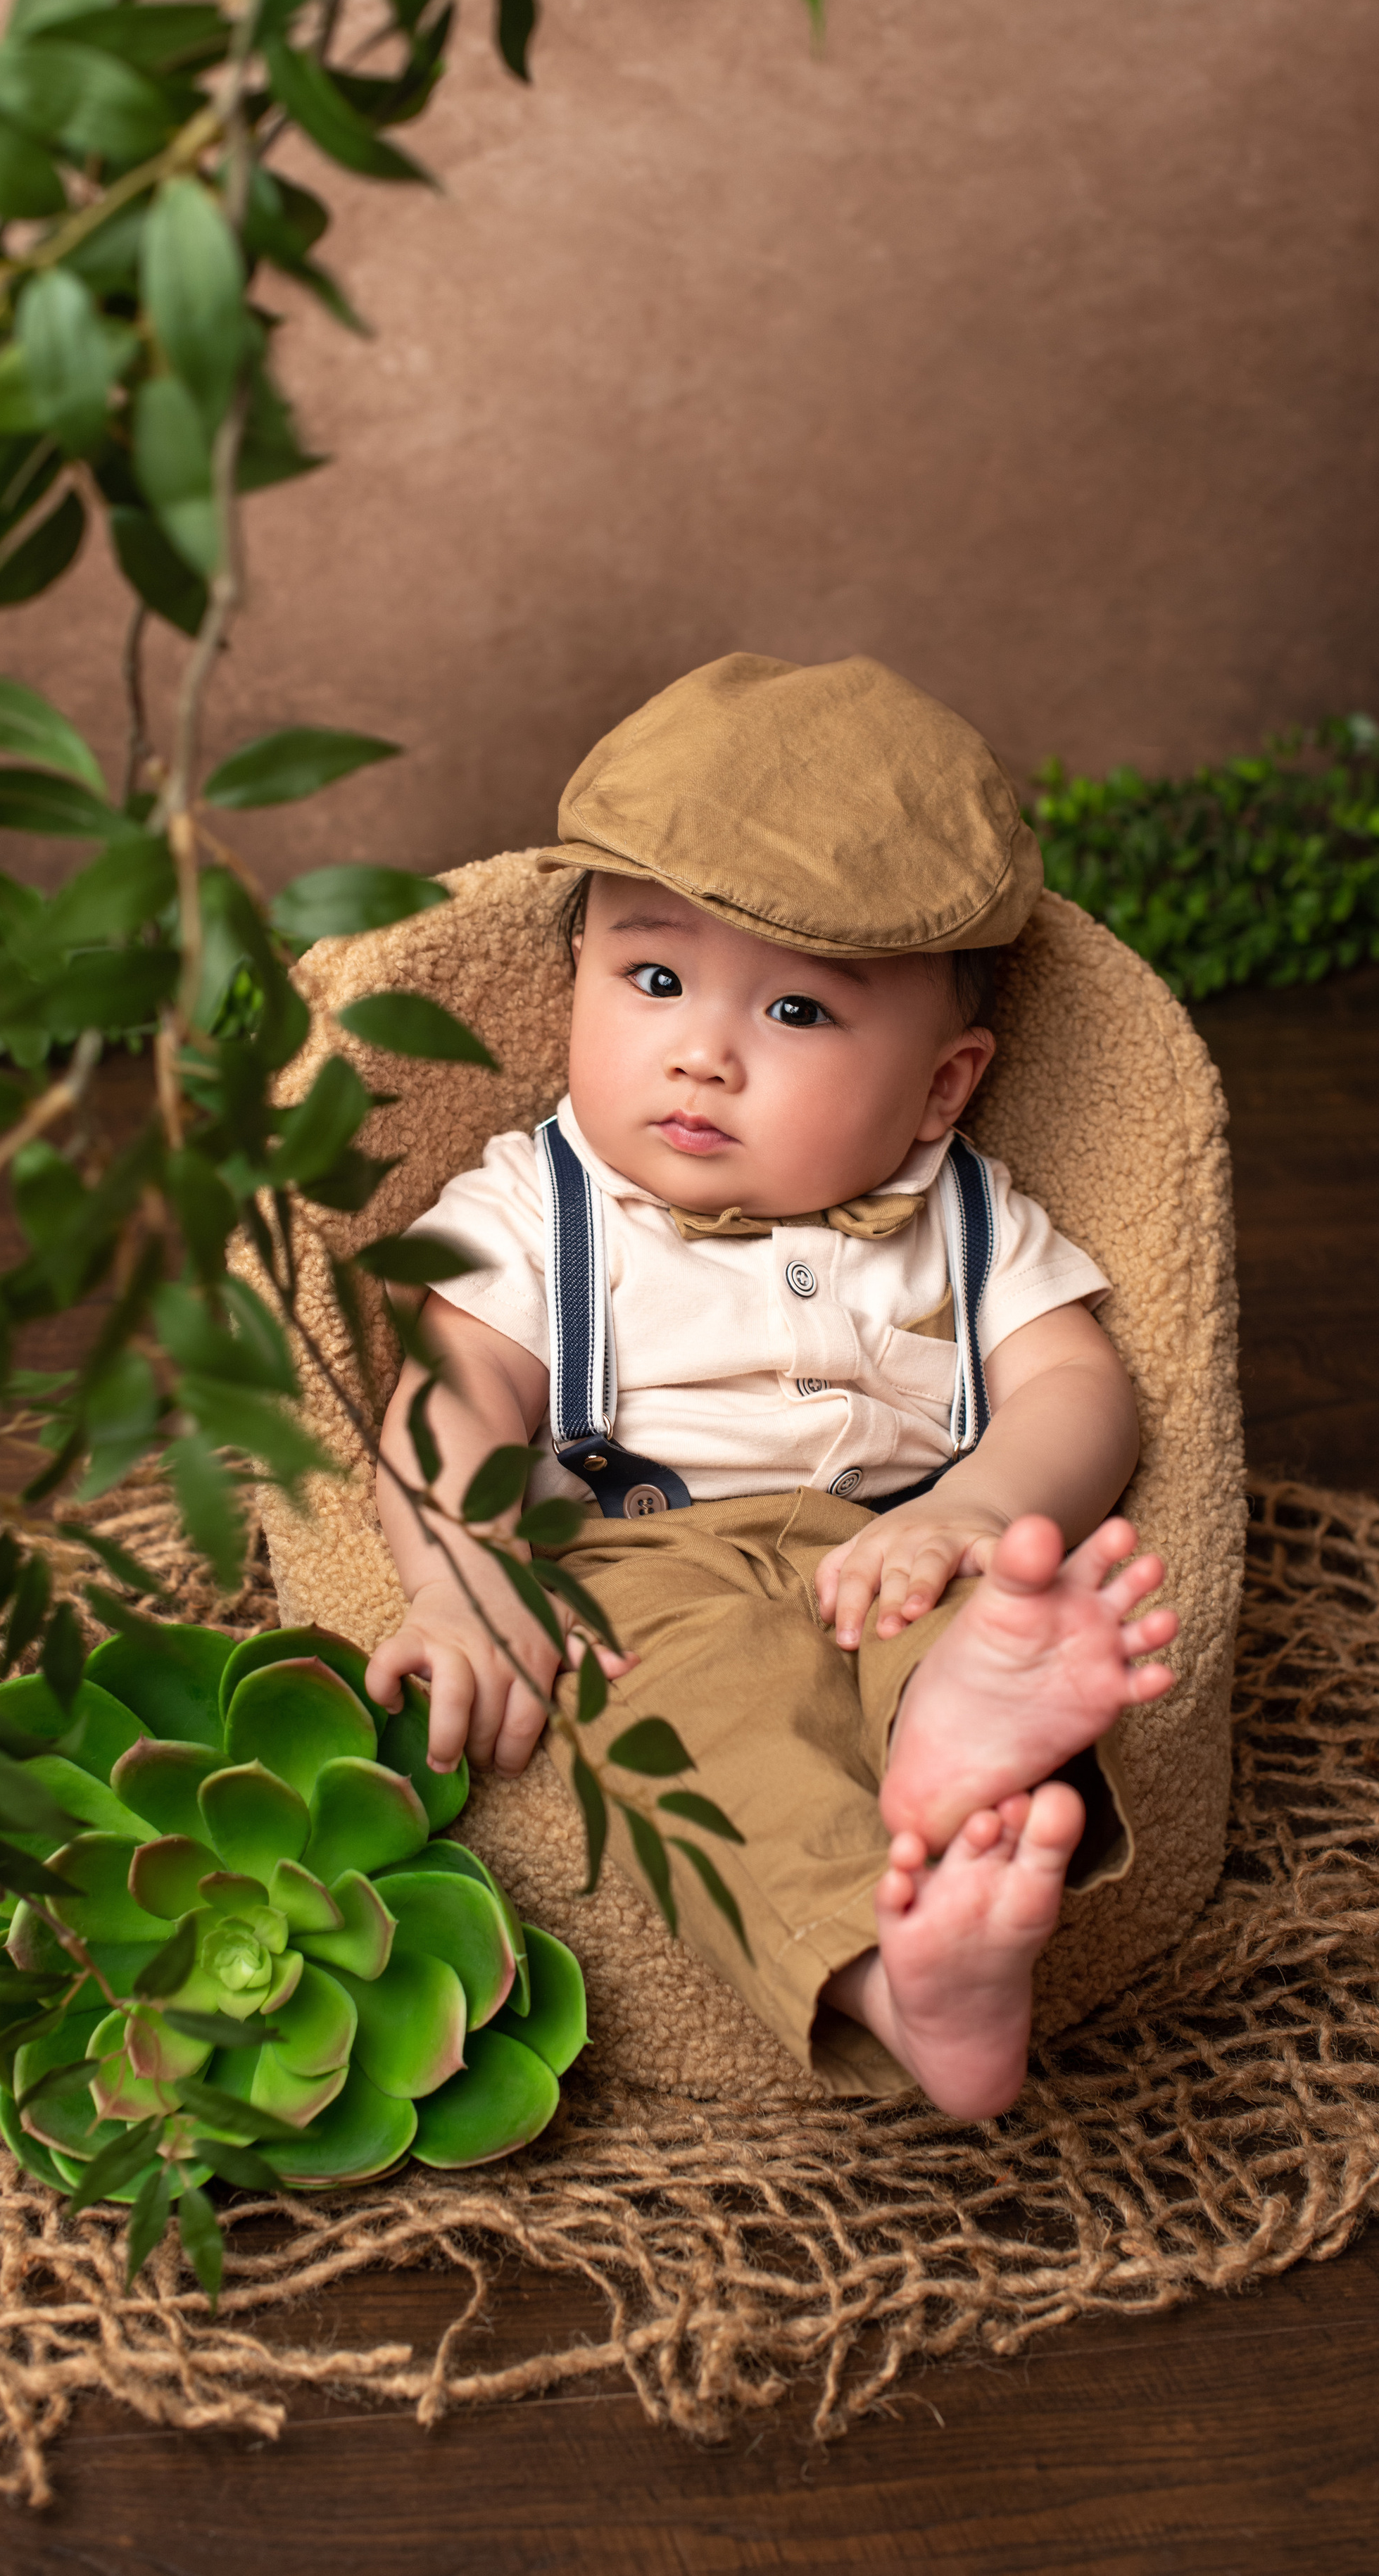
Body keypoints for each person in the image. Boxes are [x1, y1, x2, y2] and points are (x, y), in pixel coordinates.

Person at [365, 653, 1180, 2116]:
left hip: (892, 1544)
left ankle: (960, 1766)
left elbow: (1078, 1385)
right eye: (654, 980)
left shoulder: (964, 1210)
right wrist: (461, 1570)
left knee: (987, 1629)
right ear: (576, 979)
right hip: (643, 1569)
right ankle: (896, 1974)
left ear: (941, 1085)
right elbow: (453, 1382)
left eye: (796, 1013)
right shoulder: (537, 1201)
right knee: (701, 1730)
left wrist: (979, 1510)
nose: (702, 1055)